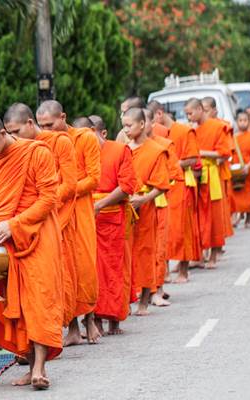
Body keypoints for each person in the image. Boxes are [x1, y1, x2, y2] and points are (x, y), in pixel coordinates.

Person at [0, 113, 63, 390]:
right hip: (3, 239)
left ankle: (39, 368)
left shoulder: (36, 152)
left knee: (38, 301)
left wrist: (15, 224)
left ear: (3, 133)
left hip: (37, 235)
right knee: (14, 304)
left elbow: (49, 198)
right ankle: (26, 359)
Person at [3, 102, 78, 331]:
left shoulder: (59, 142)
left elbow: (70, 184)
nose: (14, 137)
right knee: (32, 284)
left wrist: (45, 203)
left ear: (29, 123)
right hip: (24, 224)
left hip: (57, 217)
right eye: (9, 133)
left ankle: (71, 326)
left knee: (62, 276)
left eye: (16, 132)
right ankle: (35, 337)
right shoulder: (13, 149)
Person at [36, 100, 101, 345]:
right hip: (56, 212)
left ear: (63, 117)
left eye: (50, 124)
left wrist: (66, 189)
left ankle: (90, 319)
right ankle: (71, 326)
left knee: (85, 267)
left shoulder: (84, 138)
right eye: (42, 125)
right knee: (63, 270)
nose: (47, 130)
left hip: (80, 210)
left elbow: (94, 178)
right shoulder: (41, 143)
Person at [89, 114, 137, 335]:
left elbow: (127, 185)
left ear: (102, 133)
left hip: (112, 218)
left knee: (114, 269)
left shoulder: (119, 150)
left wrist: (100, 205)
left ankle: (115, 319)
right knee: (93, 271)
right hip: (87, 221)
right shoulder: (80, 154)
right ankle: (95, 319)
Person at [123, 108, 170, 316]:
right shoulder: (123, 149)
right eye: (123, 125)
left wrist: (144, 199)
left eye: (129, 125)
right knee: (125, 255)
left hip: (146, 208)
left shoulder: (155, 150)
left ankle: (144, 300)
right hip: (125, 209)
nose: (125, 129)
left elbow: (161, 184)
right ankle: (126, 301)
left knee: (145, 253)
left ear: (142, 124)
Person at [147, 100, 201, 283]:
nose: (150, 125)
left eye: (151, 120)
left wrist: (174, 164)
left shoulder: (184, 131)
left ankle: (183, 271)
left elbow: (193, 158)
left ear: (159, 114)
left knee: (181, 227)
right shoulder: (155, 135)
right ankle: (166, 271)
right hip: (162, 185)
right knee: (164, 229)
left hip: (180, 184)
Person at [184, 98, 230, 269]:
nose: (188, 117)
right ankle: (199, 255)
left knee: (213, 214)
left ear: (200, 110)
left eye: (190, 113)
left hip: (211, 175)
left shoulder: (217, 127)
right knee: (198, 216)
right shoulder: (192, 130)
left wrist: (201, 153)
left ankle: (213, 255)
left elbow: (225, 153)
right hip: (196, 176)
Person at [144, 108, 183, 306]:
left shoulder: (164, 145)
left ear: (151, 123)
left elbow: (175, 173)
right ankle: (144, 290)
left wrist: (156, 184)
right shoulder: (127, 146)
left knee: (158, 247)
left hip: (157, 199)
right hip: (137, 203)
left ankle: (157, 289)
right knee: (141, 250)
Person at [202, 97, 235, 243]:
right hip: (202, 174)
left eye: (206, 110)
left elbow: (227, 152)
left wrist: (208, 159)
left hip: (219, 173)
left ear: (214, 111)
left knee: (218, 210)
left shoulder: (222, 127)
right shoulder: (195, 128)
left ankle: (218, 245)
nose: (204, 113)